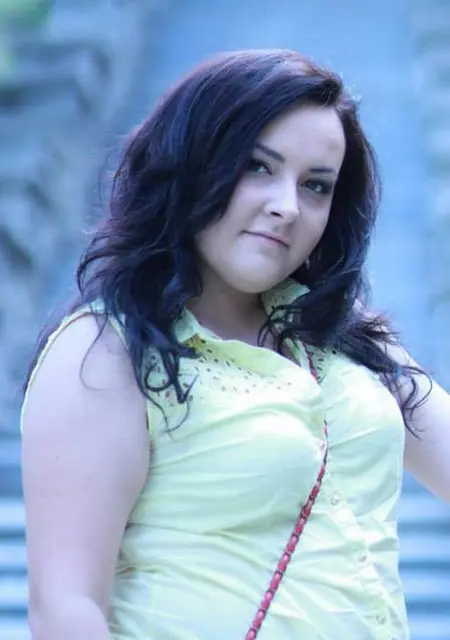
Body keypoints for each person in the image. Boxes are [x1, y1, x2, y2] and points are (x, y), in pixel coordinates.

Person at [21, 49, 450, 640]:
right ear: (191, 163)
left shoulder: (348, 339)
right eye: (257, 167)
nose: (287, 206)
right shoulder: (105, 352)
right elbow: (66, 609)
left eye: (316, 185)